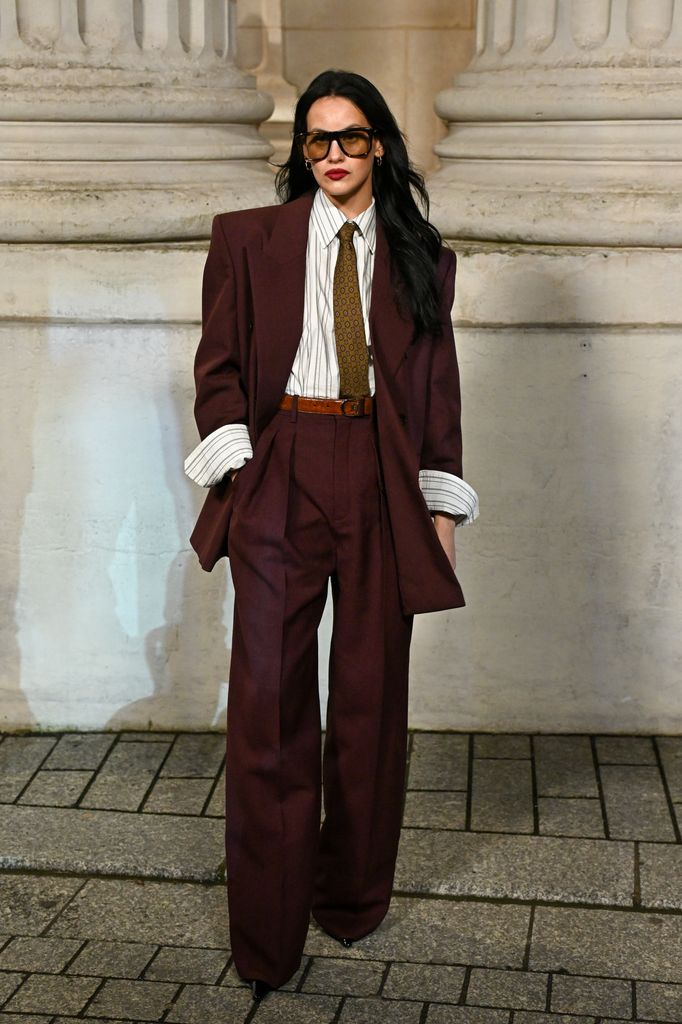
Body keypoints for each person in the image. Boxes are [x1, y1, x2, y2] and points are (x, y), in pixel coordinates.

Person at [184, 69, 479, 1001]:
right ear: (302, 151)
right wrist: (240, 468)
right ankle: (266, 939)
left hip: (384, 472)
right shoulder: (247, 240)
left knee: (369, 694)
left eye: (352, 138)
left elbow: (435, 391)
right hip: (284, 462)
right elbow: (220, 366)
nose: (336, 155)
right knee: (269, 698)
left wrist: (440, 503)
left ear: (380, 147)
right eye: (318, 140)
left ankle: (350, 899)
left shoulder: (421, 257)